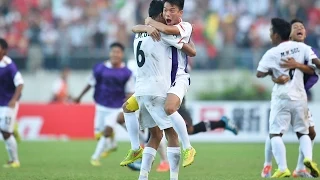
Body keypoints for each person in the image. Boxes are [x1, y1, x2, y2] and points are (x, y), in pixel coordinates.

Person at [120, 0, 198, 168]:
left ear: (180, 12)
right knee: (130, 110)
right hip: (154, 85)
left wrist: (149, 23)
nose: (168, 14)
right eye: (165, 10)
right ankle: (137, 152)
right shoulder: (157, 32)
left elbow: (193, 51)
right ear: (161, 13)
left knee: (169, 112)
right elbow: (136, 28)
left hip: (177, 78)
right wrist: (147, 26)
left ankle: (188, 148)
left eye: (171, 10)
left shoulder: (182, 27)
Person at [256, 18, 319, 178]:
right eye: (295, 27)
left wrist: (296, 66)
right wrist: (276, 77)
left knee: (300, 133)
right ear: (289, 33)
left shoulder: (305, 49)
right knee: (298, 132)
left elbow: (261, 72)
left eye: (302, 27)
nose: (299, 28)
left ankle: (298, 168)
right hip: (298, 96)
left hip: (294, 95)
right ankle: (268, 164)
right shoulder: (300, 49)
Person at [74, 42, 134, 166]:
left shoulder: (127, 73)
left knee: (107, 131)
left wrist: (127, 104)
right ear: (110, 53)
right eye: (113, 52)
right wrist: (79, 97)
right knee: (98, 135)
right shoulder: (99, 68)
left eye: (118, 52)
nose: (115, 54)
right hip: (101, 106)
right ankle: (112, 144)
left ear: (122, 54)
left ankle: (95, 157)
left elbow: (130, 92)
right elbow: (90, 83)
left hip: (117, 107)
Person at [0, 38, 24, 168]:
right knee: (4, 131)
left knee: (5, 132)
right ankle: (13, 127)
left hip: (8, 103)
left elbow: (20, 83)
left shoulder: (9, 65)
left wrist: (14, 99)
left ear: (3, 50)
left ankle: (15, 161)